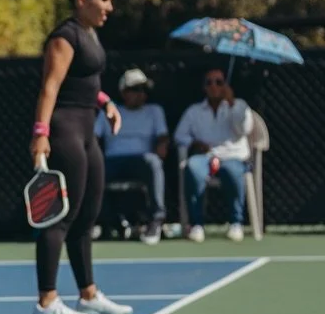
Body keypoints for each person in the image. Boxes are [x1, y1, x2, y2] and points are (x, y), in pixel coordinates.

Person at [28, 0, 134, 314]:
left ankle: (88, 295)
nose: (109, 7)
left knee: (87, 216)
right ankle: (46, 302)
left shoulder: (89, 34)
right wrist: (40, 134)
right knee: (59, 217)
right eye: (103, 0)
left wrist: (106, 102)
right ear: (81, 1)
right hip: (64, 131)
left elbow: (84, 81)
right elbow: (50, 87)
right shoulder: (64, 37)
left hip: (88, 128)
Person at [174, 67, 255, 243]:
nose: (214, 86)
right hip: (205, 157)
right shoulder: (194, 111)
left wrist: (231, 102)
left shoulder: (240, 106)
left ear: (225, 85)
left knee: (233, 173)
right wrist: (196, 143)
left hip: (233, 157)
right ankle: (196, 225)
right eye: (209, 82)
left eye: (219, 82)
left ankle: (236, 223)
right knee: (192, 169)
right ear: (204, 87)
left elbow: (245, 129)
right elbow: (180, 136)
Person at [95, 67, 169, 244]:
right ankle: (105, 222)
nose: (141, 94)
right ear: (124, 92)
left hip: (142, 159)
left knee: (154, 163)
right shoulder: (110, 111)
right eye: (136, 89)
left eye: (144, 90)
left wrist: (162, 146)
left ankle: (156, 220)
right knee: (94, 169)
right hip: (113, 160)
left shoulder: (154, 111)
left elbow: (163, 137)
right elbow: (94, 137)